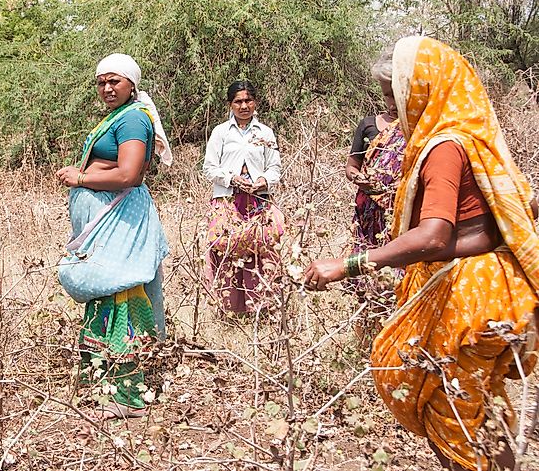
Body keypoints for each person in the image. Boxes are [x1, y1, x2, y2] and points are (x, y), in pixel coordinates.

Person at [304, 36, 539, 471]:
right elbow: (520, 204)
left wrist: (349, 264)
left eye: (395, 98)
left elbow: (433, 236)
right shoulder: (477, 138)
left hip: (466, 298)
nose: (392, 111)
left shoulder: (445, 148)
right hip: (494, 290)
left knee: (455, 420)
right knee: (480, 413)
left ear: (422, 91)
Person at [56, 53, 172, 420]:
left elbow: (129, 175)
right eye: (101, 82)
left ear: (131, 85)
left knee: (121, 294)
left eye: (115, 81)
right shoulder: (115, 117)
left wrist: (82, 178)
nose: (107, 88)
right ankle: (103, 384)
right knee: (104, 292)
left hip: (122, 219)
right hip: (108, 219)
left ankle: (128, 395)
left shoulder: (135, 118)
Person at [202, 81, 283, 314]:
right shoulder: (221, 132)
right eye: (238, 101)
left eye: (248, 100)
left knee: (264, 247)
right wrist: (232, 179)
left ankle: (263, 306)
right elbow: (209, 167)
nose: (244, 106)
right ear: (230, 105)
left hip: (258, 200)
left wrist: (263, 181)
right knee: (224, 247)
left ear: (255, 102)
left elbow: (275, 167)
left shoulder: (265, 133)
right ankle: (229, 307)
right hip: (228, 200)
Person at [344, 58, 406, 344]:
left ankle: (396, 336)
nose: (391, 103)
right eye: (386, 95)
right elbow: (351, 166)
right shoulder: (369, 125)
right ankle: (365, 338)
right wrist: (361, 180)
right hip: (369, 212)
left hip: (401, 213)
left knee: (399, 272)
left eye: (396, 94)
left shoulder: (418, 129)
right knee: (367, 269)